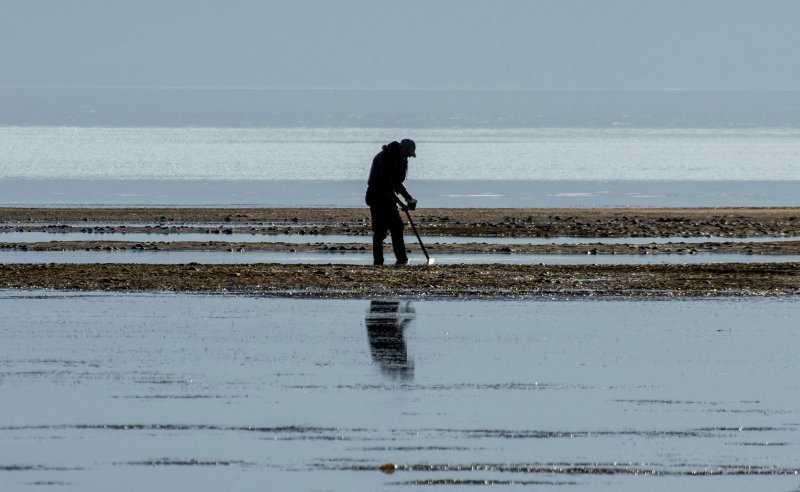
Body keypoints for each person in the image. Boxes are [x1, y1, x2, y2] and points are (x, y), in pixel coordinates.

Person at [364, 139, 418, 265]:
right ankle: (378, 261)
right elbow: (387, 185)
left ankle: (401, 259)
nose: (409, 156)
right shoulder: (385, 158)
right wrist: (400, 203)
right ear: (402, 148)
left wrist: (408, 197)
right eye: (408, 153)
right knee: (380, 231)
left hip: (388, 197)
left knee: (397, 227)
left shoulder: (401, 159)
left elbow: (397, 183)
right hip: (376, 196)